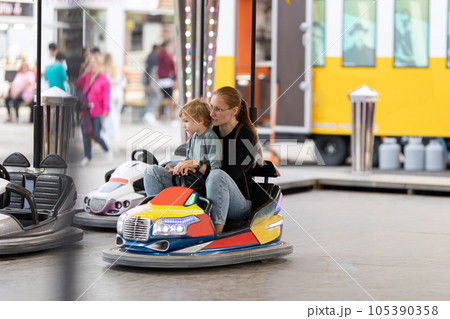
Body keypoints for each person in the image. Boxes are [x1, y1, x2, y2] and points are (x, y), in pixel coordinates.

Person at [144, 98, 221, 197]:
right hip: (187, 179)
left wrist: (195, 165)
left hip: (198, 185)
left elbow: (215, 172)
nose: (183, 126)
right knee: (151, 170)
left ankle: (157, 208)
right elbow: (188, 161)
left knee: (152, 172)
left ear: (200, 120)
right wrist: (177, 169)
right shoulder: (193, 138)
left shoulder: (210, 137)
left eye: (186, 121)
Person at [75, 55, 111, 166]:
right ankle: (87, 156)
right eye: (90, 63)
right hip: (85, 110)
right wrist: (83, 74)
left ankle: (107, 150)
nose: (92, 65)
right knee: (86, 134)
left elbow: (106, 95)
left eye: (94, 62)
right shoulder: (87, 76)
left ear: (99, 64)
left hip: (97, 111)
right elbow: (77, 85)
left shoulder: (103, 78)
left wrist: (106, 108)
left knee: (96, 134)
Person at [103, 53, 125, 151]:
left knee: (110, 116)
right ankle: (116, 135)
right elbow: (121, 81)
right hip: (119, 94)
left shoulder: (104, 69)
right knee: (117, 115)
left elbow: (106, 82)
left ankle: (111, 136)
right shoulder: (116, 68)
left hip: (110, 94)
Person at [142, 44, 162, 124]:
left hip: (147, 81)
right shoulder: (153, 57)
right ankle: (149, 114)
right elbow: (150, 71)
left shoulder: (150, 56)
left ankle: (149, 115)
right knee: (157, 97)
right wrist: (151, 83)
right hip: (150, 82)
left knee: (150, 99)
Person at [157, 41, 176, 119]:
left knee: (159, 99)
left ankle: (159, 116)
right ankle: (172, 116)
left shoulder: (157, 56)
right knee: (171, 99)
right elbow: (173, 67)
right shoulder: (169, 56)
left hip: (159, 81)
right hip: (167, 80)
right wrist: (175, 78)